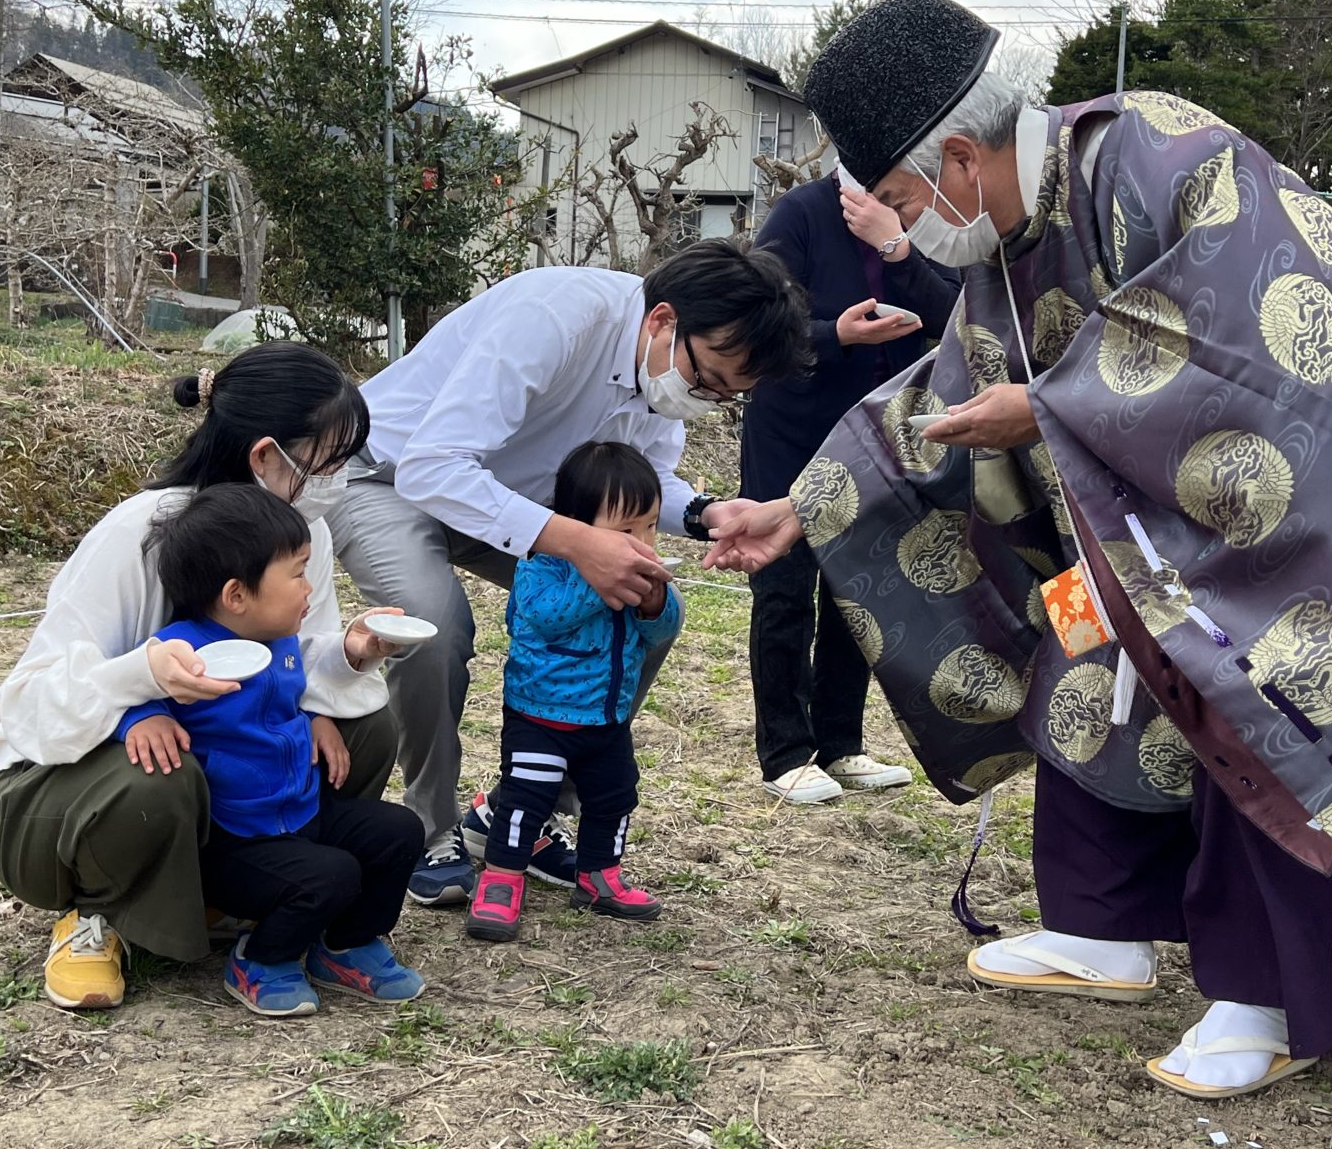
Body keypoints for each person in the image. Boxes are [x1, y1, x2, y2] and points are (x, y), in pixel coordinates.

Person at [706, 0, 1332, 1098]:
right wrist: (799, 508)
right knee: (1088, 634)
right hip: (1203, 508)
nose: (910, 228)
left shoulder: (1164, 150)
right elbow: (957, 388)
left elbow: (1243, 349)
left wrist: (1049, 411)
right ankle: (1103, 927)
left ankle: (1275, 995)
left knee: (1252, 674)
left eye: (906, 199)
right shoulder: (1012, 238)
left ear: (960, 159)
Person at [328, 239, 812, 906]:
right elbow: (434, 467)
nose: (705, 400)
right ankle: (428, 828)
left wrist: (709, 514)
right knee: (433, 624)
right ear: (662, 322)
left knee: (643, 602)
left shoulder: (662, 374)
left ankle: (516, 812)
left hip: (514, 504)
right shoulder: (555, 317)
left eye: (729, 396)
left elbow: (648, 480)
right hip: (387, 476)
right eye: (707, 381)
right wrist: (579, 543)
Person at [0, 343, 413, 1012]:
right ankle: (96, 909)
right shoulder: (139, 535)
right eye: (329, 460)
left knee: (363, 723)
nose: (339, 478)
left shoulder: (305, 530)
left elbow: (298, 654)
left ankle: (252, 891)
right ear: (267, 457)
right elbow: (30, 705)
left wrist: (346, 661)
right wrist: (141, 684)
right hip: (71, 784)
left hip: (229, 765)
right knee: (158, 770)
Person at [115, 485, 425, 1016]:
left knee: (400, 832)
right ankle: (260, 959)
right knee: (331, 875)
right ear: (237, 595)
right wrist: (142, 718)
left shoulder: (281, 640)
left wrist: (316, 718)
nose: (310, 588)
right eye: (298, 573)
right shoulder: (183, 649)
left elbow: (281, 701)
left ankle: (344, 946)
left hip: (300, 811)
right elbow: (130, 691)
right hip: (235, 841)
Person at [741, 163, 961, 803]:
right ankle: (784, 751)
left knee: (854, 588)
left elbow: (953, 317)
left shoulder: (925, 217)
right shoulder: (802, 213)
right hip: (791, 426)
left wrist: (897, 245)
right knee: (784, 588)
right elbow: (757, 320)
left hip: (877, 433)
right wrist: (836, 334)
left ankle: (841, 746)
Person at [465, 442, 683, 942]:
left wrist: (654, 602)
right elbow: (544, 618)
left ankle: (598, 877)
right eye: (624, 531)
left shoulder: (639, 574)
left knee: (614, 797)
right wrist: (594, 575)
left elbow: (659, 631)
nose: (642, 541)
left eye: (649, 525)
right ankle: (502, 879)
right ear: (574, 527)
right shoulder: (541, 567)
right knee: (526, 800)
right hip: (541, 717)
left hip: (607, 719)